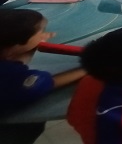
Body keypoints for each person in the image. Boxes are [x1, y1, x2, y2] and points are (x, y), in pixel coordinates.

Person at [0, 9, 86, 143]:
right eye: (41, 33)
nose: (47, 35)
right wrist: (87, 69)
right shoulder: (12, 76)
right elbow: (43, 83)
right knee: (28, 128)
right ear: (12, 49)